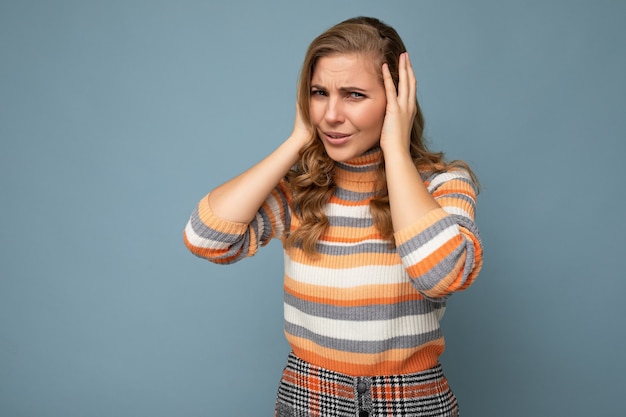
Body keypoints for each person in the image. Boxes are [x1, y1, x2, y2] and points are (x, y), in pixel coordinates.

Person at [183, 16, 483, 417]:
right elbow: (205, 238)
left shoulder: (442, 183)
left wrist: (395, 151)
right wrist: (295, 141)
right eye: (319, 93)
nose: (331, 114)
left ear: (396, 100)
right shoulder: (301, 191)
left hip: (412, 402)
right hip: (308, 398)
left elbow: (443, 275)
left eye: (354, 94)